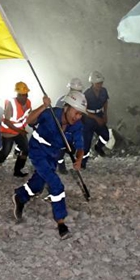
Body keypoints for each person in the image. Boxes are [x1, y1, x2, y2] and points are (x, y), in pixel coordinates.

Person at [12, 91, 87, 239]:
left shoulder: (77, 126)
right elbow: (29, 120)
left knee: (38, 184)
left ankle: (20, 196)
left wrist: (79, 159)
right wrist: (43, 106)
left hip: (53, 155)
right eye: (76, 112)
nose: (77, 117)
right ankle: (61, 223)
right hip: (38, 150)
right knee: (56, 184)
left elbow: (80, 146)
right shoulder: (50, 114)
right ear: (67, 107)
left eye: (80, 114)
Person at [0, 81, 33, 177]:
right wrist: (19, 131)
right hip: (8, 132)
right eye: (21, 95)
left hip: (19, 132)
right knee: (4, 153)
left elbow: (29, 116)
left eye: (25, 95)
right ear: (17, 95)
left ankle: (17, 170)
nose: (24, 97)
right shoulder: (11, 104)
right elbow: (6, 121)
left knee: (25, 149)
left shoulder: (28, 103)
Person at [81, 71, 111, 169]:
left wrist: (105, 114)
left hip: (99, 114)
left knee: (106, 135)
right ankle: (83, 162)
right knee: (87, 142)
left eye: (101, 83)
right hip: (88, 118)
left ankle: (98, 147)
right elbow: (83, 109)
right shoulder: (86, 94)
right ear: (92, 83)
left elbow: (105, 101)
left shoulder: (104, 91)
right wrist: (95, 118)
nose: (100, 85)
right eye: (97, 83)